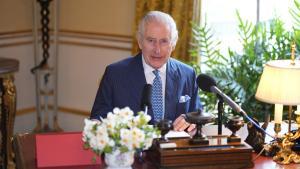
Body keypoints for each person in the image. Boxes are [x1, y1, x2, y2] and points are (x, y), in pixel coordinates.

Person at [90, 11, 202, 134]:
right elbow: (98, 118)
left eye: (164, 41)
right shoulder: (115, 74)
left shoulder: (187, 74)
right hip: (131, 151)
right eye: (151, 40)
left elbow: (197, 115)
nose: (157, 50)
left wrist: (191, 120)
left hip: (174, 150)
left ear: (173, 44)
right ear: (140, 41)